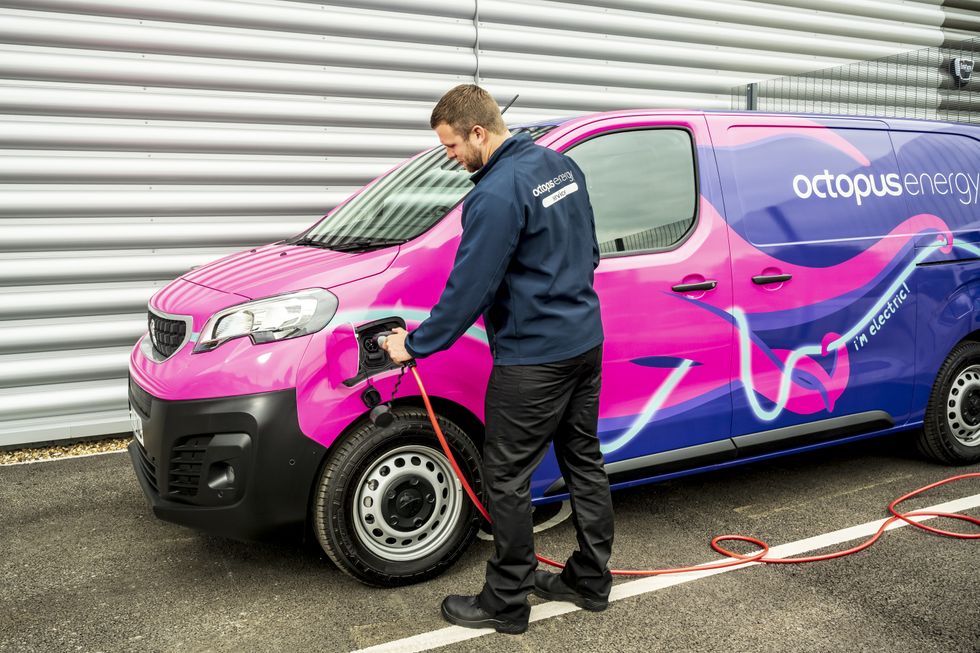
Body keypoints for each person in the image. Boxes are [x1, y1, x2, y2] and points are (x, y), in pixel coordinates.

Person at [382, 84, 614, 635]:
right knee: (583, 458)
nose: (449, 157)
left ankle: (507, 600)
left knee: (505, 476)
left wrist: (413, 344)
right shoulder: (560, 166)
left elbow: (470, 289)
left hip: (534, 359)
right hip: (584, 343)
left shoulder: (495, 193)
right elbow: (591, 250)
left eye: (452, 146)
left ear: (478, 133)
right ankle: (590, 579)